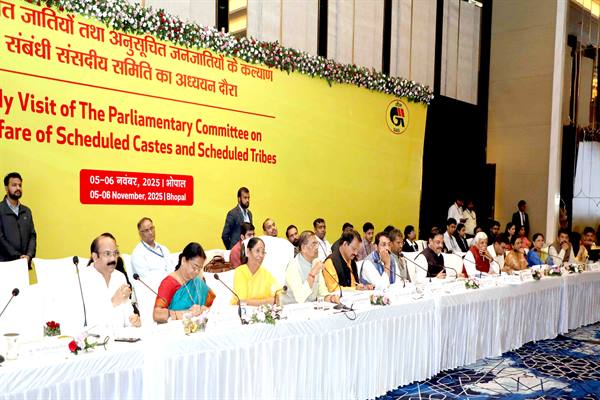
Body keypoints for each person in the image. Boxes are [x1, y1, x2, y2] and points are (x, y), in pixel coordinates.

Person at [83, 233, 141, 329]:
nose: (113, 259)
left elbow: (127, 311)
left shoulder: (120, 276)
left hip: (122, 335)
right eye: (107, 254)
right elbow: (89, 322)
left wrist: (133, 320)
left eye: (115, 253)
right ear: (95, 256)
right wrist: (113, 302)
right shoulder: (83, 278)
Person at [153, 242, 215, 323]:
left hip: (199, 325)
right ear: (183, 261)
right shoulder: (169, 283)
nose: (197, 272)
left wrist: (205, 309)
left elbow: (214, 305)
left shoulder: (198, 282)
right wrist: (186, 313)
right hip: (176, 328)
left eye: (200, 269)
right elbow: (157, 314)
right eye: (194, 267)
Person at [282, 231, 340, 305]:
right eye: (313, 244)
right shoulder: (293, 266)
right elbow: (300, 298)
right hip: (292, 307)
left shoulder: (316, 262)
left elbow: (322, 293)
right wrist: (313, 272)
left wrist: (330, 298)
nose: (317, 247)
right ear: (303, 248)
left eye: (317, 243)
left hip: (310, 306)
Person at [0, 172, 36, 265]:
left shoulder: (26, 211)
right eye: (14, 185)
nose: (18, 188)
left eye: (20, 185)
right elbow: (0, 238)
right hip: (5, 264)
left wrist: (29, 255)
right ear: (6, 188)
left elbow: (32, 236)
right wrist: (17, 257)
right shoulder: (1, 209)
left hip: (24, 263)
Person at [231, 237, 279, 305]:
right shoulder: (240, 272)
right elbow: (241, 302)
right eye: (257, 251)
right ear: (248, 252)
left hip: (263, 310)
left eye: (263, 252)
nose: (261, 255)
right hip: (241, 310)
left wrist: (275, 299)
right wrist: (267, 301)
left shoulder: (266, 273)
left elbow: (278, 294)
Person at [130, 217, 173, 283]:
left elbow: (172, 269)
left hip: (171, 284)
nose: (150, 232)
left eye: (152, 228)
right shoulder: (137, 254)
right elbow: (146, 279)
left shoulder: (163, 249)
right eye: (146, 230)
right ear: (140, 234)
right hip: (153, 287)